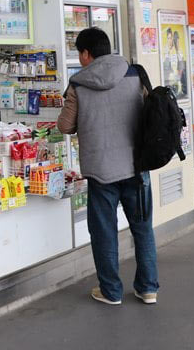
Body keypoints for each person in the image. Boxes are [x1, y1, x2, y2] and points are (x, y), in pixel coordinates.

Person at [56, 28, 157, 306]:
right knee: (143, 228)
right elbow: (150, 113)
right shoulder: (135, 74)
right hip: (137, 166)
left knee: (104, 233)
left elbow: (65, 126)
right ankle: (148, 288)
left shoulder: (78, 84)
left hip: (101, 171)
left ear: (86, 53)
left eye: (80, 53)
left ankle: (111, 291)